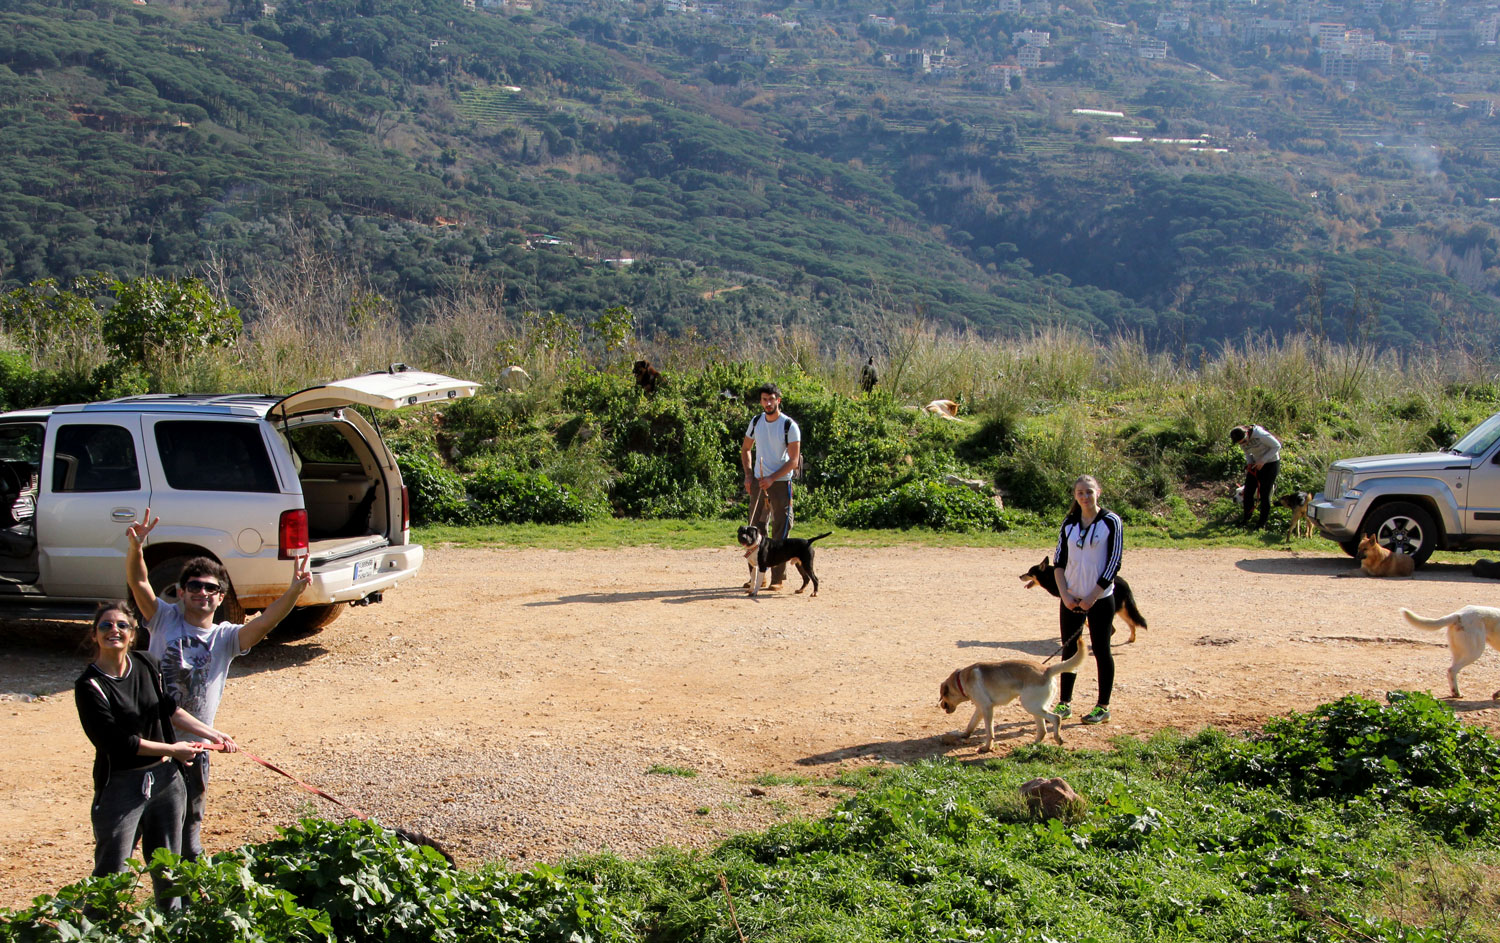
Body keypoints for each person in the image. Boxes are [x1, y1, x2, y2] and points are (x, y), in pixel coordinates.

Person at [125, 509, 310, 860]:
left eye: (212, 588)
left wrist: (295, 589)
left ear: (221, 598)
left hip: (197, 749)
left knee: (189, 829)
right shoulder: (162, 616)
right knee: (132, 827)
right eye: (194, 586)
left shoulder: (226, 638)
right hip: (151, 743)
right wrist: (135, 549)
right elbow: (140, 584)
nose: (202, 593)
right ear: (180, 592)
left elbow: (267, 621)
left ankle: (185, 905)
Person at [74, 601, 235, 908]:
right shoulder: (89, 685)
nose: (114, 631)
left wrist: (212, 733)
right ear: (94, 635)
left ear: (133, 634)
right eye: (105, 626)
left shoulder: (146, 663)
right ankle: (96, 930)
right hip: (121, 785)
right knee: (113, 871)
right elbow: (118, 742)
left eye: (122, 625)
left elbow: (167, 708)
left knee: (168, 868)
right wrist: (173, 750)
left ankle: (172, 928)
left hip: (165, 779)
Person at [1049, 475, 1123, 726]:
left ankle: (1103, 707)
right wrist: (1066, 595)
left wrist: (1092, 596)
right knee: (1069, 650)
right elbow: (1058, 562)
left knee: (1102, 650)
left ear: (1098, 492)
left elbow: (1114, 563)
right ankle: (1064, 703)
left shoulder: (1111, 522)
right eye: (1080, 492)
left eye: (1089, 492)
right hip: (1071, 598)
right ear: (1075, 495)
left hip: (1100, 598)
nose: (1085, 496)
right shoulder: (1069, 522)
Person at [741, 383, 801, 591]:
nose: (768, 403)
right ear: (761, 401)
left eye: (771, 399)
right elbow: (746, 449)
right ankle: (757, 578)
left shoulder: (789, 425)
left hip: (781, 483)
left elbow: (793, 460)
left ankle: (778, 579)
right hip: (758, 482)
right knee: (755, 527)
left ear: (778, 400)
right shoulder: (756, 422)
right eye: (764, 399)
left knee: (780, 528)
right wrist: (749, 475)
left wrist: (773, 478)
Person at [1231, 424, 1282, 529]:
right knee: (1248, 491)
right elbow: (1247, 453)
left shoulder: (1260, 434)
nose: (1243, 444)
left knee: (1264, 494)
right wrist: (1250, 463)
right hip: (1256, 463)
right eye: (1240, 443)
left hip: (1271, 463)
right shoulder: (1241, 439)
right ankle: (1246, 520)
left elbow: (1277, 446)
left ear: (1246, 434)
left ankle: (1261, 524)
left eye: (1244, 441)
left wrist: (1263, 460)